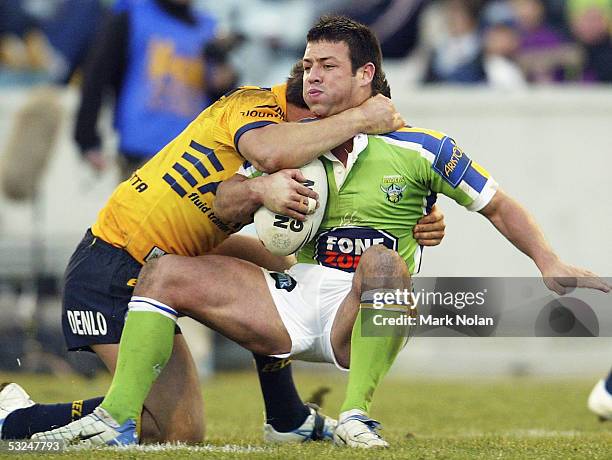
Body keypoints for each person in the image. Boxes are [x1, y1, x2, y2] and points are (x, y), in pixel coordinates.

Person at [31, 15, 610, 449]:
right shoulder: (288, 141)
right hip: (286, 297)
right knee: (168, 270)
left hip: (351, 313)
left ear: (367, 74)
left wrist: (547, 260)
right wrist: (259, 191)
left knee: (382, 262)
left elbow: (497, 204)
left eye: (326, 66)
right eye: (306, 66)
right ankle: (121, 420)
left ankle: (355, 415)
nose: (310, 76)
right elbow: (219, 199)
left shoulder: (418, 147)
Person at [0, 33, 447, 443]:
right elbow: (271, 151)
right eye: (322, 123)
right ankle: (15, 418)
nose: (328, 139)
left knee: (276, 268)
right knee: (166, 430)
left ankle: (285, 414)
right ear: (303, 109)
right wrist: (361, 117)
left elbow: (323, 210)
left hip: (160, 259)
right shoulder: (253, 107)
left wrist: (422, 218)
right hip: (112, 267)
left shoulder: (293, 141)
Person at [74, 0, 237, 180]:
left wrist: (225, 80)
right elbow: (96, 76)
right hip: (141, 154)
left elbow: (223, 97)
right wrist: (87, 139)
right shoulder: (132, 15)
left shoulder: (210, 29)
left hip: (193, 160)